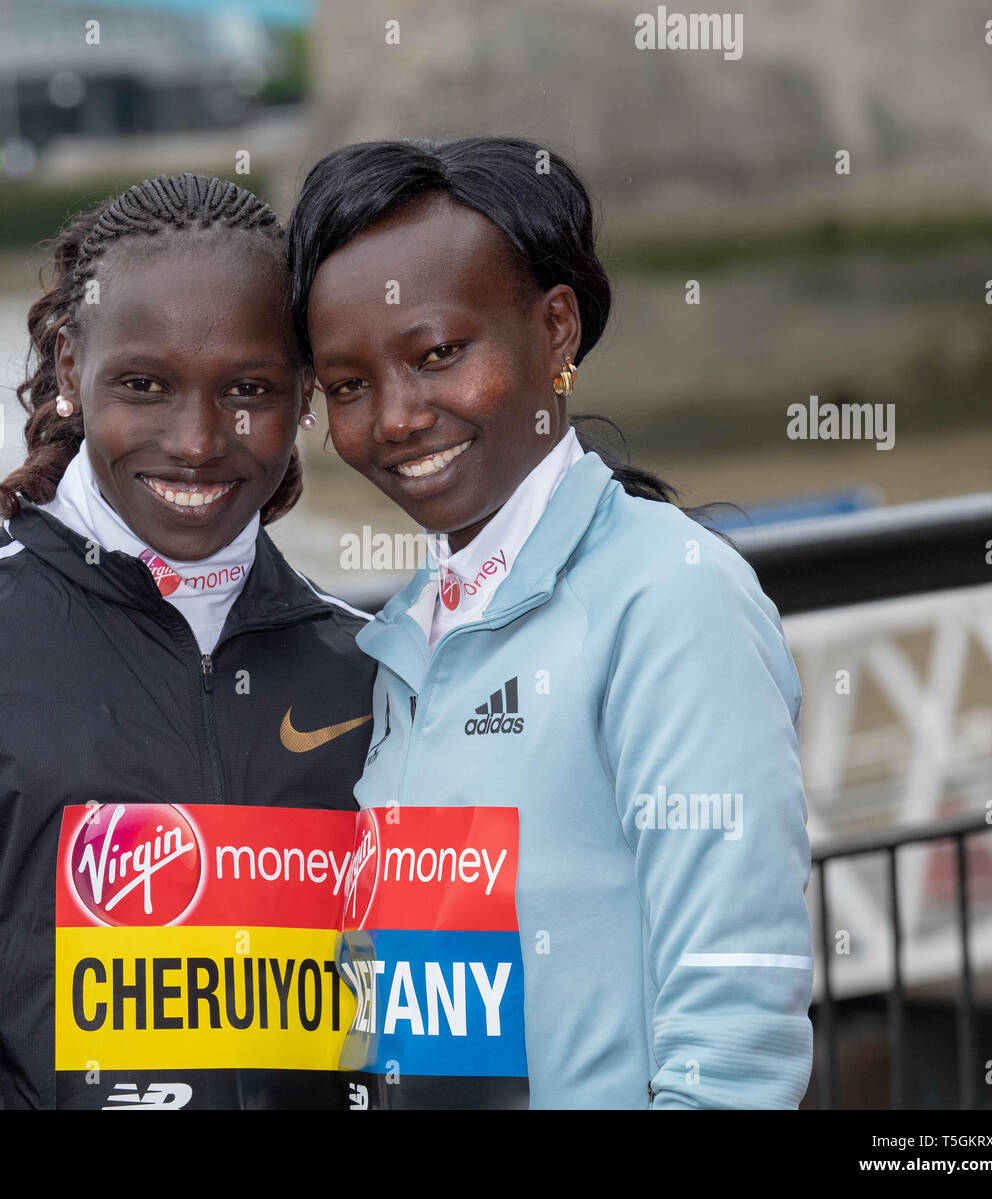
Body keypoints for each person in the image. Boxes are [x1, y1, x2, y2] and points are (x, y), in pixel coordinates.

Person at [0, 174, 375, 1109]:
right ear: (72, 367)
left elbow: (409, 1027)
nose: (196, 441)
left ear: (305, 394)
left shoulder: (371, 666)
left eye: (249, 389)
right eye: (144, 385)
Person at [287, 137, 815, 1109]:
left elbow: (736, 1024)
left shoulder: (668, 595)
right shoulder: (406, 637)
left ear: (556, 331)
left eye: (439, 353)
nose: (395, 417)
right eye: (348, 386)